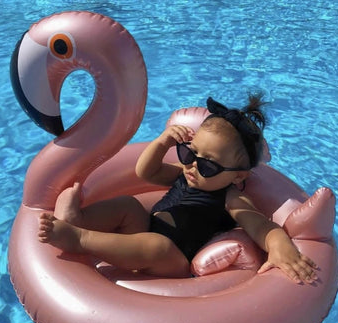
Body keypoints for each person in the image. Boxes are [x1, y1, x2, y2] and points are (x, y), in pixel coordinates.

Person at [38, 95, 318, 283]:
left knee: (157, 246)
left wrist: (280, 247)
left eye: (208, 165)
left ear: (237, 176)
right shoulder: (187, 173)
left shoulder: (231, 197)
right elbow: (145, 172)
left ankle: (78, 238)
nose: (193, 165)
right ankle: (81, 219)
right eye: (189, 153)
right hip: (147, 228)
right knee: (129, 206)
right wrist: (162, 143)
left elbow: (261, 226)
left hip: (173, 260)